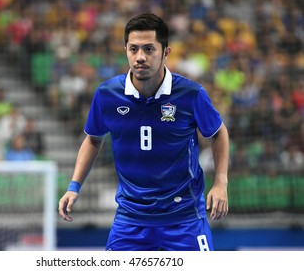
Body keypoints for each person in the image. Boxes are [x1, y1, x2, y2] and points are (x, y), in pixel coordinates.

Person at [58, 13, 229, 251]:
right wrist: (74, 187)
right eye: (133, 49)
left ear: (166, 52)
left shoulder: (191, 94)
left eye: (149, 49)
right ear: (125, 50)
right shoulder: (107, 94)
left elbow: (218, 133)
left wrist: (220, 182)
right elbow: (93, 140)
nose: (140, 57)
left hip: (185, 219)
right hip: (130, 220)